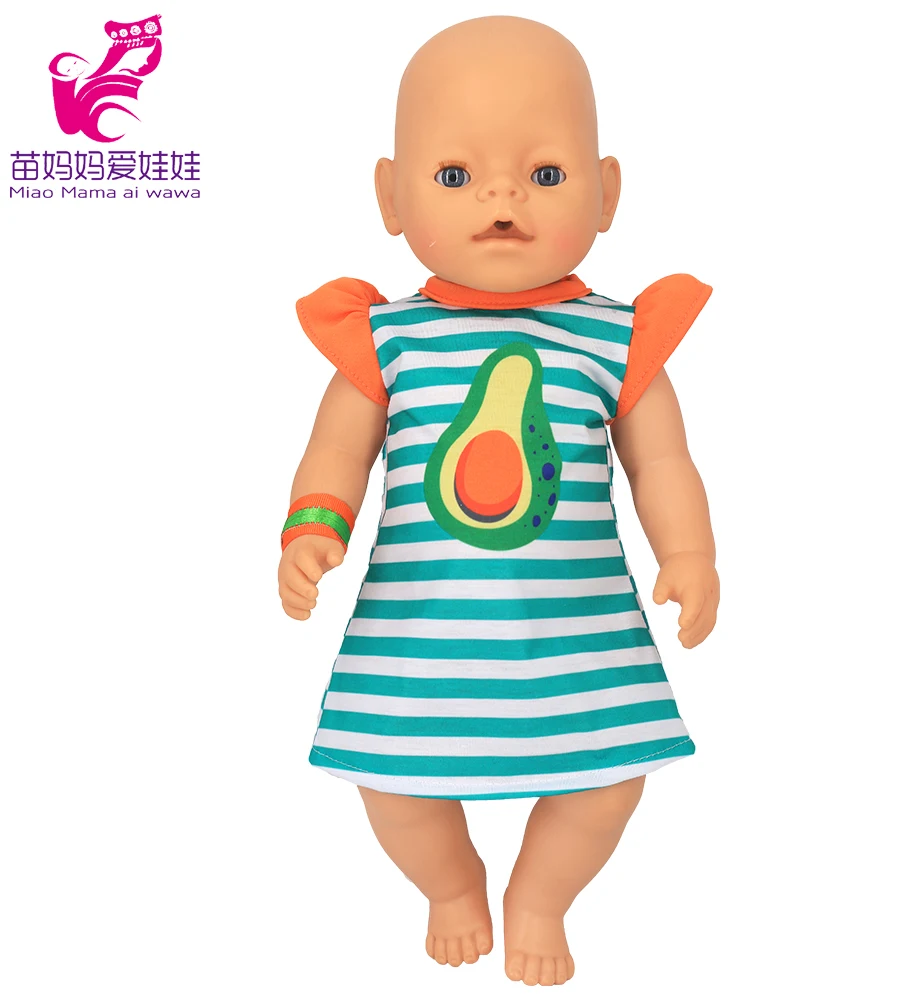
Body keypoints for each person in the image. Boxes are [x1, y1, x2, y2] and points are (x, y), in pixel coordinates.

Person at [278, 15, 719, 987]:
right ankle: (450, 886)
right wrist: (312, 528)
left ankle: (542, 896)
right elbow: (336, 451)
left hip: (584, 639)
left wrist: (690, 555)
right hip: (413, 639)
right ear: (390, 197)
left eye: (546, 173)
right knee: (391, 787)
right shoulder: (384, 340)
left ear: (606, 191)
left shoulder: (617, 339)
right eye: (454, 174)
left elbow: (662, 464)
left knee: (610, 785)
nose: (503, 195)